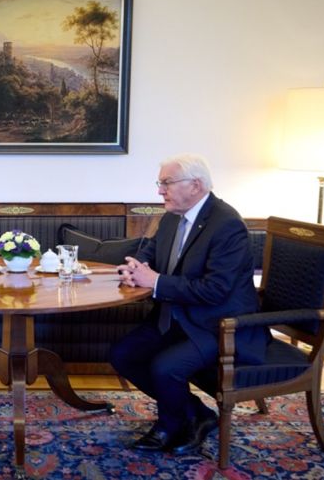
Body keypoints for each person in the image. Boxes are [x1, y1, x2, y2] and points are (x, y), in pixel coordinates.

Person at [110, 153, 269, 455]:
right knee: (123, 355)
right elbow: (151, 251)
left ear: (195, 185)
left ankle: (168, 425)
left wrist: (155, 281)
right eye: (160, 183)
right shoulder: (173, 216)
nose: (160, 191)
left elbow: (215, 290)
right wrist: (136, 267)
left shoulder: (227, 224)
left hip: (217, 324)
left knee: (165, 367)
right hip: (177, 315)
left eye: (166, 183)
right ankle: (196, 414)